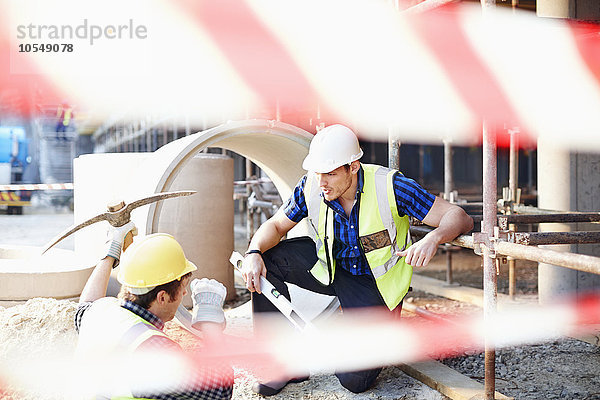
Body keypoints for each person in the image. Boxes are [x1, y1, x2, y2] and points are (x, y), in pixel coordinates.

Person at [241, 124, 473, 396]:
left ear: (353, 166)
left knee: (354, 381)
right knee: (266, 262)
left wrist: (433, 238)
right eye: (317, 173)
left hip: (373, 285)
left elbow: (459, 217)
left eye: (330, 173)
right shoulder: (312, 186)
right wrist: (253, 252)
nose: (321, 182)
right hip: (328, 266)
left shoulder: (391, 186)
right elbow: (277, 227)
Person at [74, 222, 233, 399]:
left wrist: (112, 249)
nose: (185, 293)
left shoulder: (101, 312)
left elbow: (85, 304)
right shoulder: (154, 348)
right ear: (162, 297)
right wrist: (210, 319)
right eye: (183, 287)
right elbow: (221, 391)